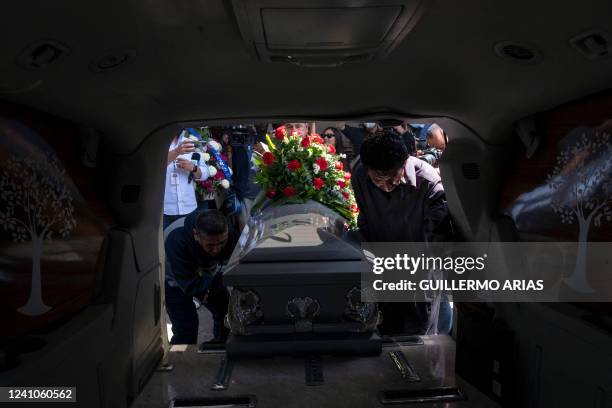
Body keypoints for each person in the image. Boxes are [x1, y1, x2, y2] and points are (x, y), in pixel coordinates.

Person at [352, 131, 453, 334]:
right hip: (380, 270)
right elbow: (365, 223)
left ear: (404, 161)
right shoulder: (360, 176)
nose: (387, 187)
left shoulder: (428, 183)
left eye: (393, 178)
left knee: (420, 343)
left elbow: (439, 241)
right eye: (378, 180)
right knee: (381, 339)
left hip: (419, 276)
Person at [164, 210, 238, 345]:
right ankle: (180, 358)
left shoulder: (230, 235)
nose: (217, 249)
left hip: (206, 270)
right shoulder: (176, 240)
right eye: (211, 245)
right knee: (186, 326)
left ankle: (221, 345)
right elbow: (189, 285)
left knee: (225, 311)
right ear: (196, 235)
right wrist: (215, 282)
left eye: (222, 243)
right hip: (174, 278)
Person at [164, 130, 209, 229]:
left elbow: (205, 173)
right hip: (165, 210)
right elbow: (153, 166)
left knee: (188, 241)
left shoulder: (189, 143)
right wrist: (176, 152)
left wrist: (193, 168)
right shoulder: (157, 144)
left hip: (189, 206)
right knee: (166, 242)